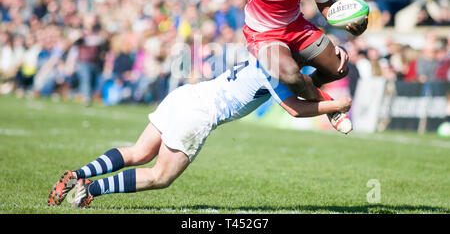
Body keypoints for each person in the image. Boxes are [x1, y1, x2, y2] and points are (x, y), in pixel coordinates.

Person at [143, 0, 367, 127]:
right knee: (290, 75)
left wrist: (348, 23)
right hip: (264, 35)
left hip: (296, 28)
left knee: (340, 68)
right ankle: (329, 105)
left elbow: (326, 6)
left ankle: (307, 89)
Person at [48, 57, 353, 208]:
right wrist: (335, 105)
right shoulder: (281, 72)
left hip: (186, 95)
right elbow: (296, 109)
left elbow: (305, 85)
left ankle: (77, 174)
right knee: (160, 177)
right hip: (199, 114)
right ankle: (91, 189)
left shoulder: (266, 54)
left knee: (137, 152)